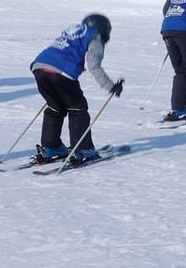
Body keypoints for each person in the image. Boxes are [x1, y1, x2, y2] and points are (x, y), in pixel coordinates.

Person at [30, 14, 123, 164]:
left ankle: (51, 148)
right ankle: (82, 150)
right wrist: (111, 87)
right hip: (61, 71)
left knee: (55, 107)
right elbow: (93, 65)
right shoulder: (95, 36)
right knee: (78, 108)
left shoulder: (73, 31)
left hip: (39, 67)